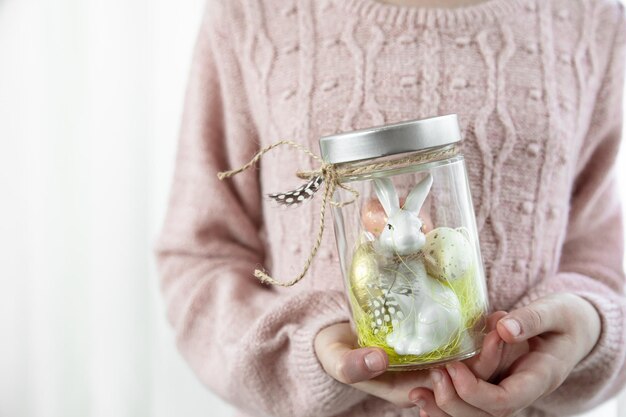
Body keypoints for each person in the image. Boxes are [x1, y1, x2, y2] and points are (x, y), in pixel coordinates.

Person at [154, 0, 626, 416]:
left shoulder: (592, 21)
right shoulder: (253, 12)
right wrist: (304, 351)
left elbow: (602, 260)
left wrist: (590, 327)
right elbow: (200, 257)